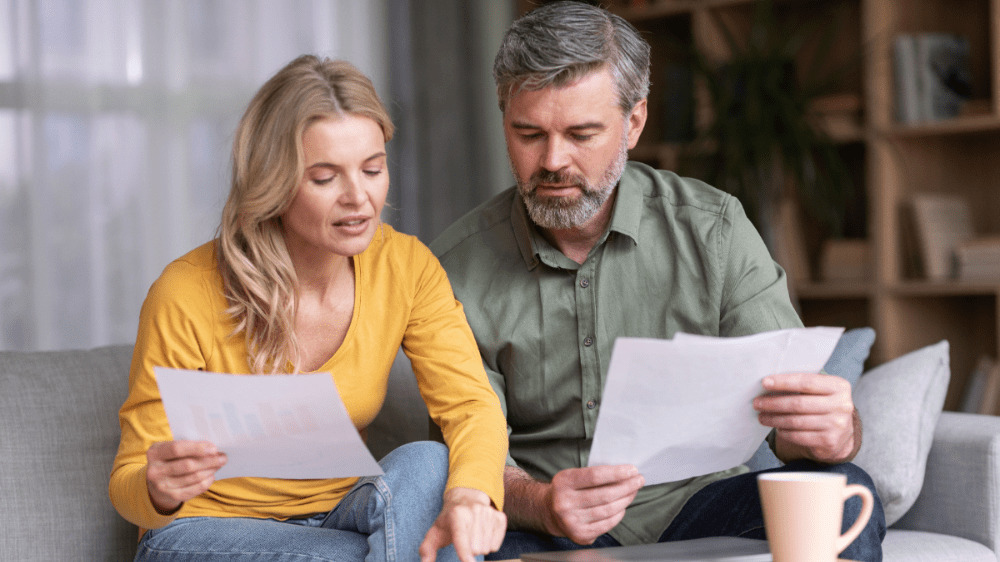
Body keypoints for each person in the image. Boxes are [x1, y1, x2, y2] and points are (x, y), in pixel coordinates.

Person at [429, 2, 886, 561]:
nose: (552, 160)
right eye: (529, 134)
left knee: (844, 494)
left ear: (634, 122)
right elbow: (470, 457)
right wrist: (541, 503)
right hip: (542, 515)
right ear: (504, 119)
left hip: (698, 502)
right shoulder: (453, 267)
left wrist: (835, 432)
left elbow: (789, 421)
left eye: (581, 134)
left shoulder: (714, 230)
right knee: (462, 547)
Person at [110, 54, 508, 562]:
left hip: (338, 516)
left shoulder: (405, 267)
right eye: (324, 178)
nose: (359, 197)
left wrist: (471, 497)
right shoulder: (186, 291)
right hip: (200, 531)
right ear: (273, 183)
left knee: (431, 464)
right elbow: (128, 481)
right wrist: (158, 487)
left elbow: (471, 405)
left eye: (373, 169)